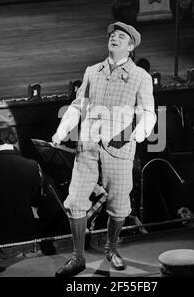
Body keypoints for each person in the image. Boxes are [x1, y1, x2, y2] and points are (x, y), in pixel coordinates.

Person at [51, 21, 156, 277]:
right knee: (75, 202)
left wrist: (139, 133)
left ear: (130, 46)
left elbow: (148, 112)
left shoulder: (140, 77)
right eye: (112, 35)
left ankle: (111, 248)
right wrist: (62, 131)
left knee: (119, 206)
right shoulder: (92, 71)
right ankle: (78, 257)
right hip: (87, 147)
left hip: (119, 150)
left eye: (121, 37)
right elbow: (78, 105)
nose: (114, 39)